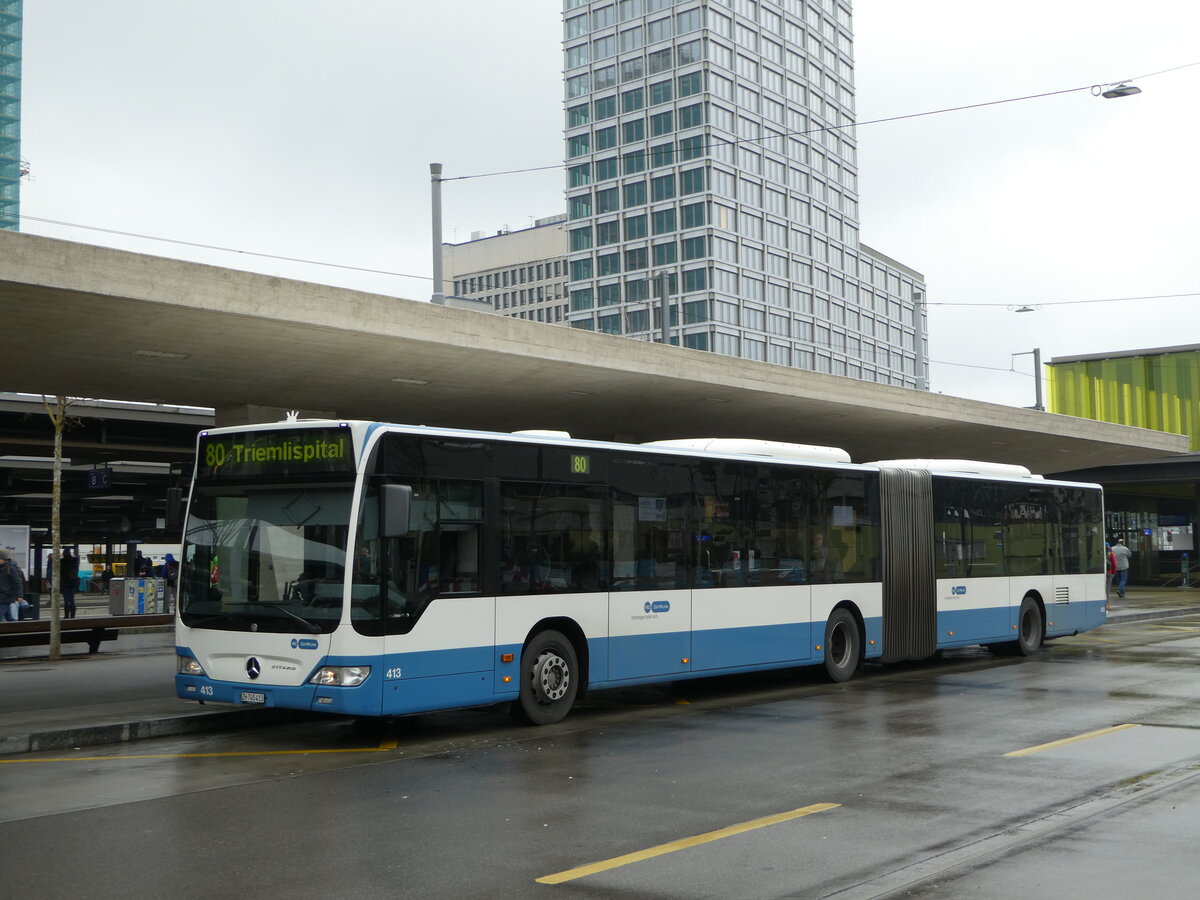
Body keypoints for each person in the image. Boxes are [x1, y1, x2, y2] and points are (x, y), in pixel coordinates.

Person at [0, 549, 23, 622]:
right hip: (2, 596)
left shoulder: (11, 568)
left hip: (6, 596)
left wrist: (20, 596)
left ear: (2, 559)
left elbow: (18, 582)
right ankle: (18, 629)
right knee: (9, 617)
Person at [61, 548, 80, 618]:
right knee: (72, 599)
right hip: (73, 583)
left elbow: (60, 573)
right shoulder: (74, 561)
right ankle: (73, 615)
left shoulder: (62, 562)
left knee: (66, 599)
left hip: (65, 583)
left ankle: (66, 615)